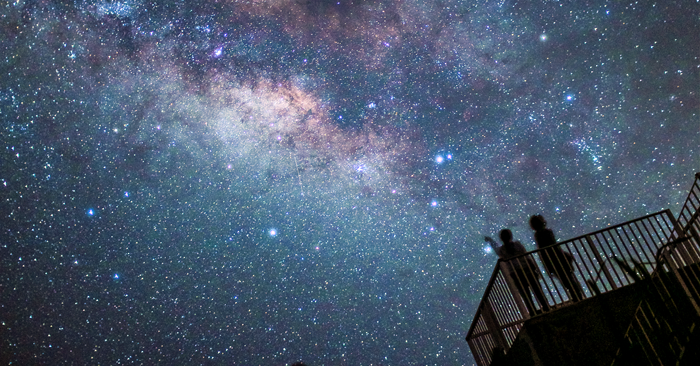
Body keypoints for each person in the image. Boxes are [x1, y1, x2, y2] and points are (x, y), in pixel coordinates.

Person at [486, 229, 550, 316]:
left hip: (515, 273)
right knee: (537, 289)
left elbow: (496, 248)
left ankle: (532, 311)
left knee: (525, 293)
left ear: (501, 238)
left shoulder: (502, 250)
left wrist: (490, 240)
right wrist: (534, 267)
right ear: (511, 236)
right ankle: (546, 306)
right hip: (527, 269)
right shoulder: (517, 245)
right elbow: (526, 256)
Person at [529, 215, 585, 302]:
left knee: (566, 280)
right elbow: (555, 246)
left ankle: (577, 297)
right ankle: (578, 295)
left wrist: (546, 265)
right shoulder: (548, 232)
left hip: (553, 260)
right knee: (569, 278)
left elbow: (543, 251)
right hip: (559, 258)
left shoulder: (539, 235)